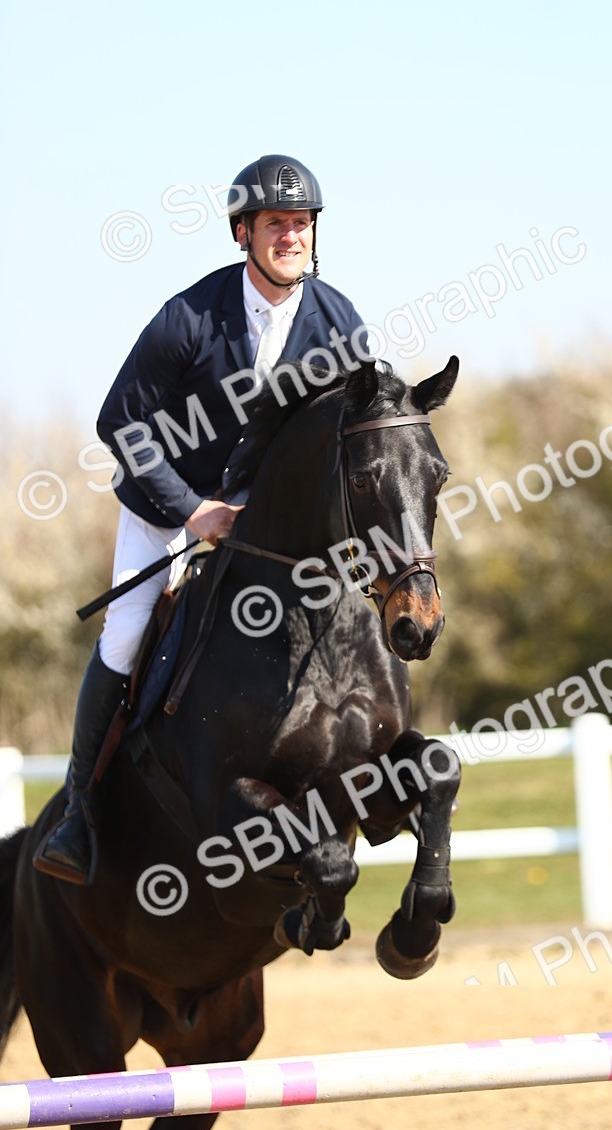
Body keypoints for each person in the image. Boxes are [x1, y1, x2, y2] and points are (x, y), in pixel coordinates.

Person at [34, 154, 366, 885]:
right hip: (170, 508)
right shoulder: (190, 315)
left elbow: (350, 430)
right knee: (125, 633)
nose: (292, 235)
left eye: (302, 223)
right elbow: (120, 420)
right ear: (242, 232)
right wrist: (193, 510)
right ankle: (78, 815)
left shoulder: (338, 320)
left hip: (271, 527)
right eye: (276, 223)